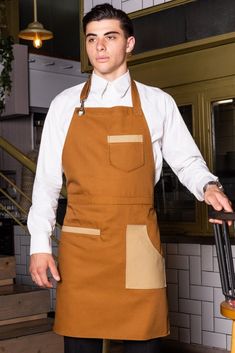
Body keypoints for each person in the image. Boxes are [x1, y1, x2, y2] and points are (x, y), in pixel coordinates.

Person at [28, 3, 233, 353]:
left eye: (110, 37)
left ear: (130, 43)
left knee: (145, 342)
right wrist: (39, 246)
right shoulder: (63, 105)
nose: (100, 47)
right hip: (82, 245)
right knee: (80, 343)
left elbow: (186, 161)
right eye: (92, 39)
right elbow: (47, 183)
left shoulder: (157, 102)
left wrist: (208, 186)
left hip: (138, 241)